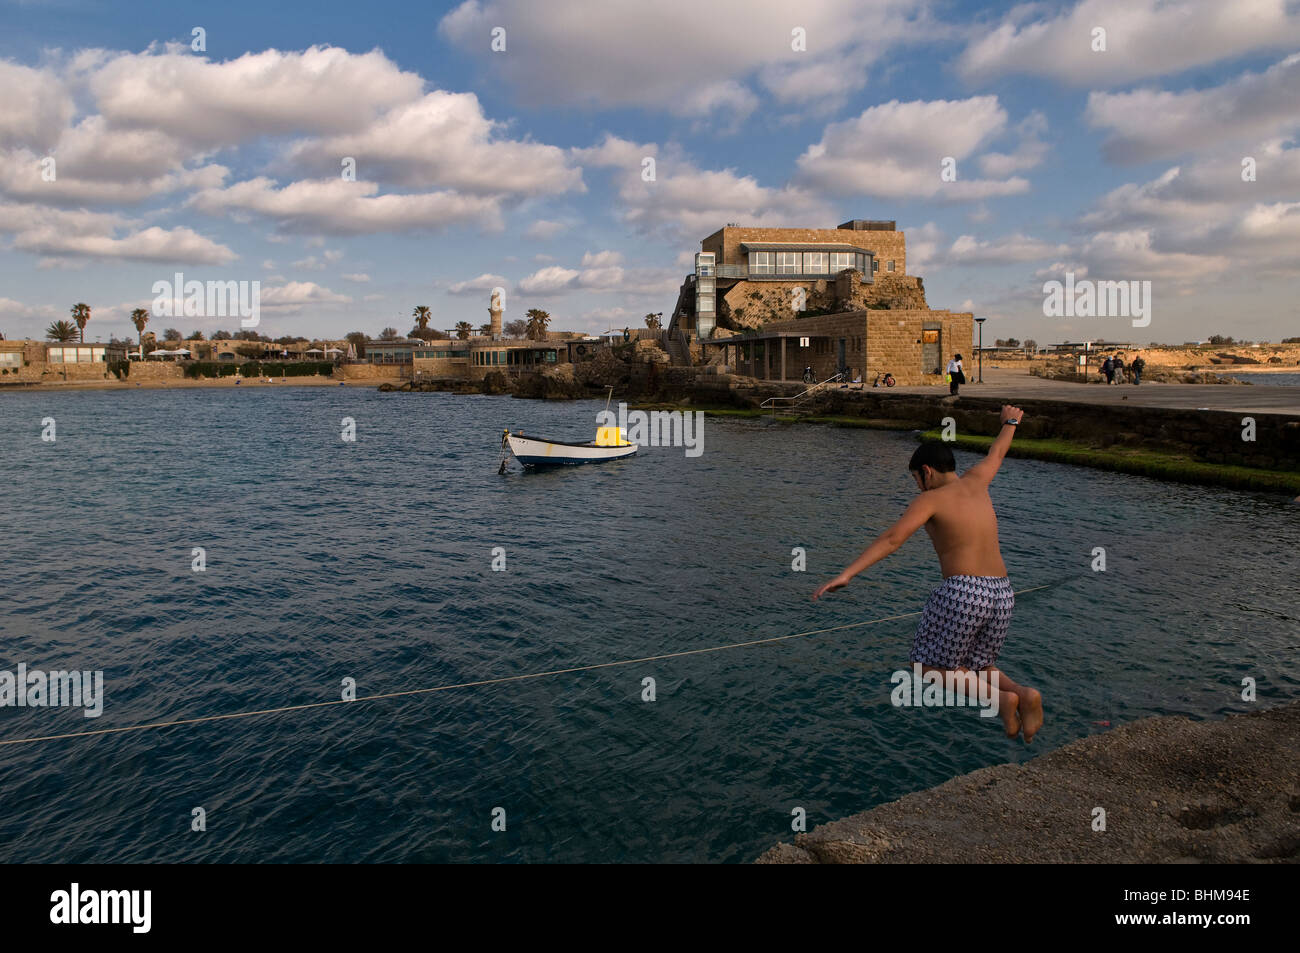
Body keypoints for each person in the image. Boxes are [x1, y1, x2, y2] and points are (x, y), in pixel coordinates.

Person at [812, 405, 1044, 742]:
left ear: (926, 472)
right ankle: (1024, 694)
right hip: (1003, 592)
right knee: (977, 666)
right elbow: (997, 452)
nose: (918, 488)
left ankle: (1002, 701)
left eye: (916, 480)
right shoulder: (978, 481)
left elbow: (892, 539)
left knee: (926, 668)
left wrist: (847, 573)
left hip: (964, 591)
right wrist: (1010, 421)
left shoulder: (931, 499)